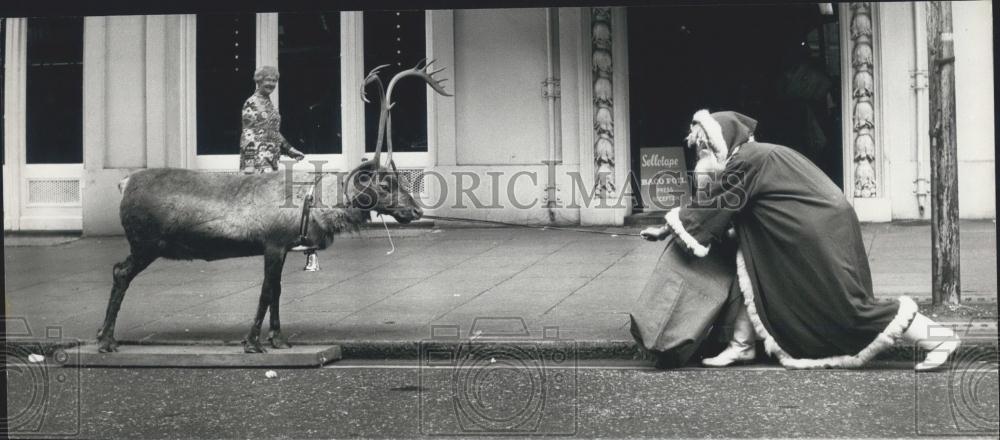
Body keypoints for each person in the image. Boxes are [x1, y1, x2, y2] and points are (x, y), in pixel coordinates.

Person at [641, 110, 961, 371]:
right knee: (751, 265)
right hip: (819, 223)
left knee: (848, 309)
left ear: (725, 141)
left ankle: (939, 337)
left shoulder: (746, 160)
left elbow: (713, 206)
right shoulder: (755, 155)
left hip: (813, 229)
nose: (702, 153)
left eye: (706, 146)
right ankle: (741, 345)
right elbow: (725, 208)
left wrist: (668, 227)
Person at [240, 66, 319, 271]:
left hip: (271, 159)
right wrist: (248, 165)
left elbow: (274, 133)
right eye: (268, 80)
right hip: (257, 159)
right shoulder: (251, 102)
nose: (271, 84)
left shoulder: (269, 104)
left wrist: (290, 149)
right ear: (258, 81)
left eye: (274, 81)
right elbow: (248, 134)